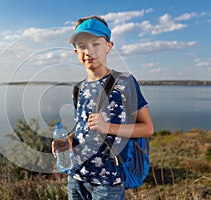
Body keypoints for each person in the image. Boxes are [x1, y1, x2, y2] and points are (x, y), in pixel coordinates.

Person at [52, 16, 154, 200]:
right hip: (76, 178)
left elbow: (147, 128)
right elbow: (84, 126)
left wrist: (108, 128)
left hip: (108, 182)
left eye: (96, 44)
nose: (89, 51)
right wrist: (69, 139)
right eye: (82, 45)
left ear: (109, 46)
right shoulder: (78, 88)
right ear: (76, 52)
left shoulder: (124, 82)